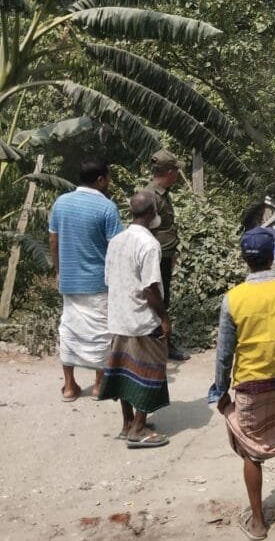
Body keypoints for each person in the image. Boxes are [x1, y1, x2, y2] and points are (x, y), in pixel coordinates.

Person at [215, 227, 275, 540]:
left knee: (251, 451)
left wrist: (219, 390)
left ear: (244, 259)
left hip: (251, 386)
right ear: (272, 256)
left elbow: (225, 353)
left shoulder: (233, 299)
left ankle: (258, 523)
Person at [97, 192, 170, 448]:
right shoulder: (149, 245)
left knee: (125, 372)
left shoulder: (116, 241)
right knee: (150, 371)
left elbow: (109, 280)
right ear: (152, 214)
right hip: (142, 320)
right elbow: (150, 288)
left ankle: (128, 423)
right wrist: (164, 318)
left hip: (119, 317)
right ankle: (138, 429)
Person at [48, 156, 123, 401]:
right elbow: (116, 248)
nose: (109, 181)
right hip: (98, 282)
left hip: (69, 281)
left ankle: (69, 387)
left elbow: (54, 241)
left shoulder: (61, 202)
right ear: (101, 180)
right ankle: (99, 385)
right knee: (101, 333)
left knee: (68, 330)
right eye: (108, 177)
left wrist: (59, 272)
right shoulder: (107, 208)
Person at [146, 148, 189, 361]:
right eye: (176, 171)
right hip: (155, 258)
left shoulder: (163, 193)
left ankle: (162, 343)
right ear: (170, 172)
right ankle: (158, 346)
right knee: (157, 300)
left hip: (165, 255)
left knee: (164, 299)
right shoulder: (150, 196)